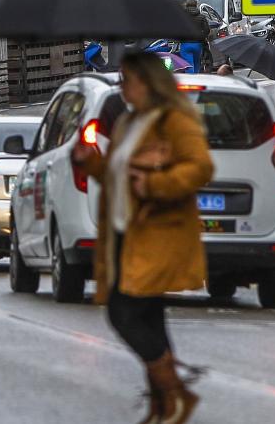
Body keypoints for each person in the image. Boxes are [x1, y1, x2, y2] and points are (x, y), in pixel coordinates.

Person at [71, 52, 213, 424]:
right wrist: (92, 162)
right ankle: (162, 405)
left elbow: (200, 167)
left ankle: (174, 392)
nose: (121, 88)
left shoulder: (174, 121)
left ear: (148, 82)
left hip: (158, 232)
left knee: (124, 312)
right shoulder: (128, 123)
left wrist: (155, 183)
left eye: (127, 80)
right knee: (147, 315)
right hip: (124, 232)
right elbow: (120, 176)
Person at [179, 0, 211, 74]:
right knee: (197, 63)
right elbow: (207, 30)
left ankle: (191, 81)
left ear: (186, 5)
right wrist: (201, 37)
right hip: (198, 44)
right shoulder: (202, 17)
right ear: (196, 5)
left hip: (185, 43)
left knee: (188, 65)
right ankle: (196, 79)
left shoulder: (182, 16)